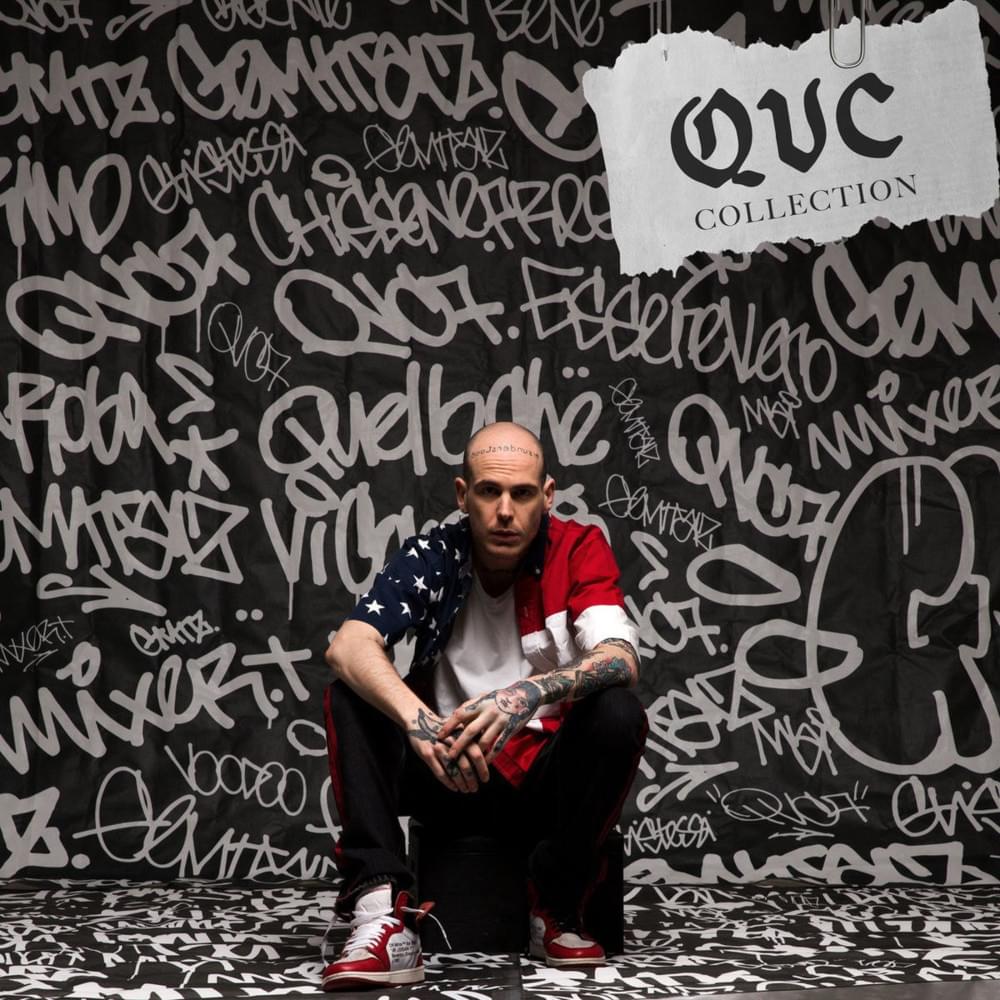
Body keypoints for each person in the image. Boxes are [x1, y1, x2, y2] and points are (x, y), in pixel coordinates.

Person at [321, 422, 647, 991]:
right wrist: (420, 725)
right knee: (351, 691)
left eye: (522, 494)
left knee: (618, 711)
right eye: (489, 492)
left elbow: (620, 657)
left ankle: (556, 902)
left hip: (541, 782)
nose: (504, 512)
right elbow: (347, 645)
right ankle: (381, 912)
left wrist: (525, 695)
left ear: (547, 495)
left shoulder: (577, 548)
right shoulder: (433, 556)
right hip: (443, 769)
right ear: (462, 494)